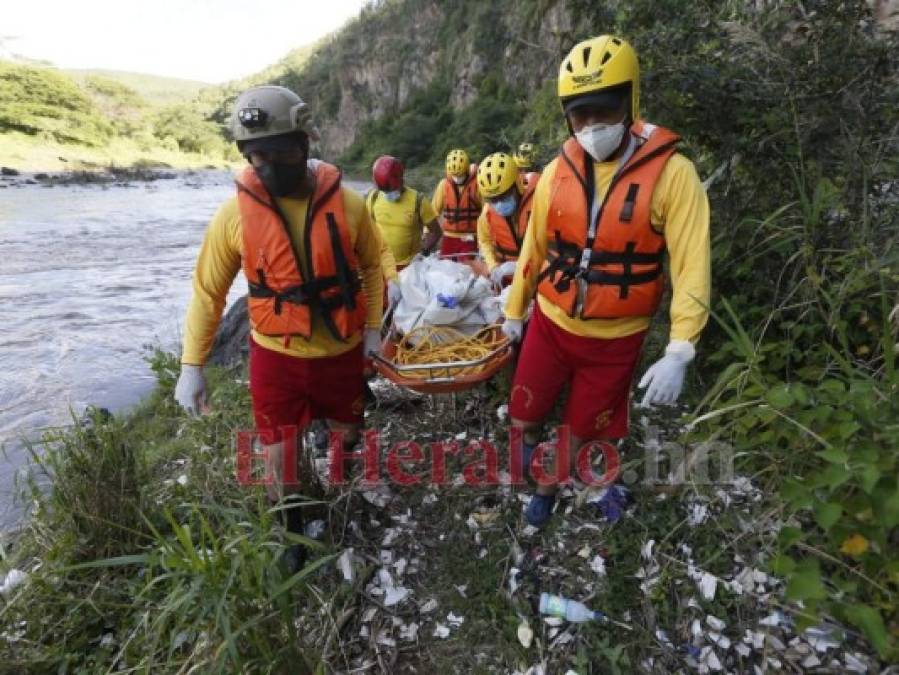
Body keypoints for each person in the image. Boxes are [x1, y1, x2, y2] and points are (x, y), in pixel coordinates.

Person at [501, 35, 711, 527]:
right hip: (550, 326)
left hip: (615, 341)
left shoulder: (673, 175)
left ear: (630, 101)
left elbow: (691, 264)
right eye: (579, 115)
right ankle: (524, 451)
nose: (592, 125)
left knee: (579, 431)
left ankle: (547, 493)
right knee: (523, 412)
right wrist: (515, 312)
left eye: (605, 109)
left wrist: (682, 347)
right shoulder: (557, 171)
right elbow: (534, 249)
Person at [173, 85, 385, 569]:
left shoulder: (349, 205)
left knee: (348, 430)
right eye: (259, 155)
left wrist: (373, 329)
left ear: (306, 144)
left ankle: (344, 487)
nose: (271, 165)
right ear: (247, 155)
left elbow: (373, 268)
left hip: (341, 349)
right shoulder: (233, 217)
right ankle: (291, 528)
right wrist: (192, 365)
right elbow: (209, 292)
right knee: (279, 453)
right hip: (276, 355)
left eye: (283, 151)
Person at [368, 154, 441, 307]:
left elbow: (435, 231)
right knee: (381, 310)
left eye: (391, 189)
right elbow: (366, 230)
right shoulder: (374, 198)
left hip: (408, 269)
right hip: (381, 267)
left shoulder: (418, 201)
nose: (388, 194)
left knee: (406, 312)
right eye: (385, 191)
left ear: (402, 179)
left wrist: (423, 252)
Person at [475, 152, 536, 286]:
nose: (499, 203)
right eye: (493, 200)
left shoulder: (538, 202)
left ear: (517, 184)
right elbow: (484, 241)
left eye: (504, 196)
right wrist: (493, 266)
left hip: (539, 274)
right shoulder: (487, 214)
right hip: (510, 281)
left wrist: (523, 264)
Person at [431, 148, 482, 259]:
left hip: (470, 236)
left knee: (467, 267)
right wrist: (427, 232)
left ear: (467, 169)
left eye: (460, 175)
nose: (458, 179)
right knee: (445, 267)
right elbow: (433, 211)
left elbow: (486, 212)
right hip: (449, 236)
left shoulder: (477, 184)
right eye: (455, 176)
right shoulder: (444, 185)